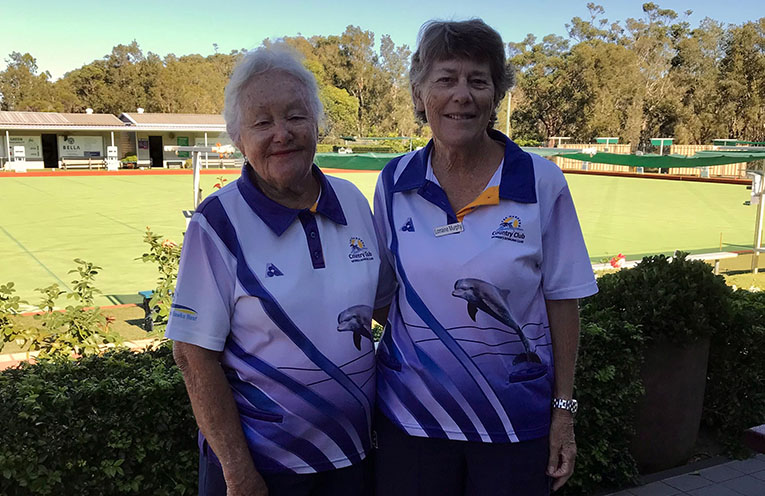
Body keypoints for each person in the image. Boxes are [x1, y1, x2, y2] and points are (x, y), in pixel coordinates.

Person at [372, 19, 598, 495]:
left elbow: (563, 301)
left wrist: (564, 412)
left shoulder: (541, 181)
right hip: (412, 421)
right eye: (445, 79)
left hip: (513, 422)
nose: (462, 95)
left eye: (478, 80)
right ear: (419, 94)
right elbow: (383, 294)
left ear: (496, 97)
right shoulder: (393, 182)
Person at [166, 45, 389, 496]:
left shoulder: (352, 201)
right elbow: (192, 355)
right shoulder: (217, 222)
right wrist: (239, 474)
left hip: (354, 460)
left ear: (317, 124)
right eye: (262, 122)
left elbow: (386, 308)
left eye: (295, 116)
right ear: (238, 139)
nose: (282, 134)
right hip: (263, 471)